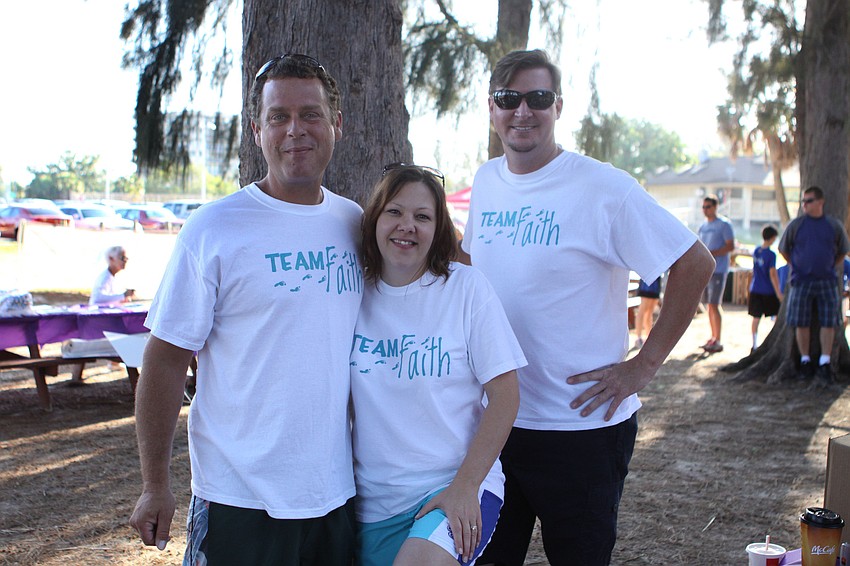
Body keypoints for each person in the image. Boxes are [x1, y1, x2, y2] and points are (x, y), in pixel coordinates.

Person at [459, 49, 715, 566]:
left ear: (558, 107)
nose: (523, 112)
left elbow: (694, 263)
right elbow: (473, 264)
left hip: (582, 432)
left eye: (538, 98)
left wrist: (643, 365)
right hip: (496, 427)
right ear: (491, 109)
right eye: (509, 99)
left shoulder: (604, 188)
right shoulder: (486, 181)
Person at [129, 53, 364, 565]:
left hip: (336, 495)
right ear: (257, 129)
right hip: (239, 498)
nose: (295, 130)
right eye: (279, 116)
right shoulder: (214, 228)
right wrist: (154, 485)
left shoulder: (355, 224)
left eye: (311, 114)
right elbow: (165, 359)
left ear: (337, 124)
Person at [351, 164, 524, 566]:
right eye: (394, 212)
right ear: (375, 218)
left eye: (422, 216)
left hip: (454, 487)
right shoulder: (352, 293)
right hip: (372, 504)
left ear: (438, 227)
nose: (406, 226)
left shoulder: (465, 288)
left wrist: (466, 485)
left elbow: (505, 395)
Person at [778, 185, 850, 382]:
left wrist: (830, 267)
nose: (804, 205)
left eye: (808, 201)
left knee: (829, 321)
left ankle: (825, 361)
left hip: (827, 281)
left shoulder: (833, 225)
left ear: (820, 202)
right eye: (803, 201)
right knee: (801, 321)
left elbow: (843, 250)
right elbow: (783, 249)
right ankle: (805, 360)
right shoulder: (796, 225)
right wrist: (796, 266)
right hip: (801, 281)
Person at [698, 194, 735, 353]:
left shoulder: (724, 225)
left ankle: (718, 338)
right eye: (703, 207)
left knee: (715, 304)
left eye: (708, 207)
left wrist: (712, 253)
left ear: (715, 207)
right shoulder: (703, 226)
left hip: (718, 270)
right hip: (705, 271)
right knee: (709, 305)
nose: (705, 210)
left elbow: (730, 246)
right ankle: (712, 337)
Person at [748, 225, 783, 353]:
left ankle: (754, 343)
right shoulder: (771, 254)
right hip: (768, 290)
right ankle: (775, 343)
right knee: (776, 316)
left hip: (755, 288)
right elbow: (772, 274)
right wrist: (778, 292)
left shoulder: (757, 250)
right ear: (772, 237)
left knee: (756, 318)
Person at [633, 276, 662, 349]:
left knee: (649, 312)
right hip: (647, 281)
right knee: (642, 310)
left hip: (656, 281)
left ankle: (648, 336)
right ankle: (638, 338)